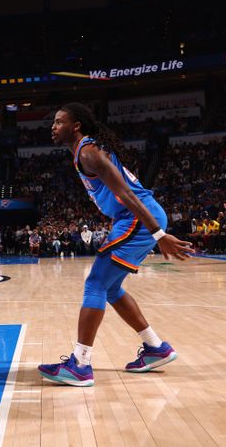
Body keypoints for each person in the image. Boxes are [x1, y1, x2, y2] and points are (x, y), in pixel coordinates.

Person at [38, 103, 194, 386]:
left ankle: (80, 365)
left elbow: (126, 194)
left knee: (95, 283)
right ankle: (155, 347)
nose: (53, 126)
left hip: (136, 217)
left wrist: (159, 234)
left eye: (59, 121)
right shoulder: (84, 151)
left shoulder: (88, 152)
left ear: (76, 126)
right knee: (110, 288)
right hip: (133, 217)